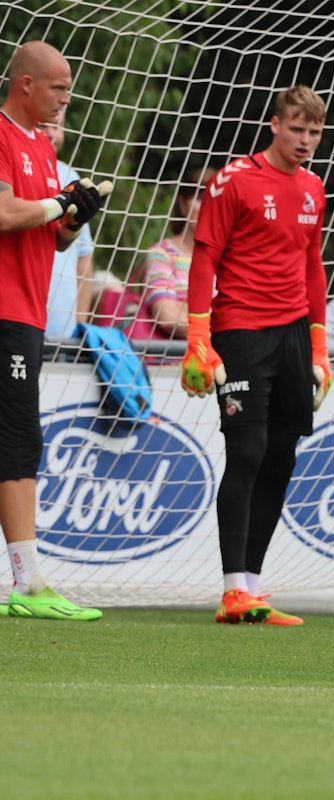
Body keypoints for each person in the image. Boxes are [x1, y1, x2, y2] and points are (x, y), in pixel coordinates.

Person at [181, 85, 331, 626]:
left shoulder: (314, 187)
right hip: (241, 329)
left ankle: (252, 588)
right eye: (297, 129)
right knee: (246, 452)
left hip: (293, 335)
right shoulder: (234, 180)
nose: (306, 141)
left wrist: (318, 343)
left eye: (314, 132)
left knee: (281, 458)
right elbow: (205, 260)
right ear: (274, 125)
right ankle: (231, 590)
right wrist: (199, 336)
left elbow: (314, 267)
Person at [0, 40, 108, 620]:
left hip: (25, 314)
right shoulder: (0, 135)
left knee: (18, 441)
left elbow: (47, 231)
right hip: (4, 314)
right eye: (59, 87)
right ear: (26, 84)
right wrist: (53, 203)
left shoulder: (43, 147)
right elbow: (3, 212)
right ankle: (28, 583)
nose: (67, 98)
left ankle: (25, 580)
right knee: (17, 441)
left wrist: (72, 218)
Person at [120, 166, 216, 345]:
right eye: (200, 198)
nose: (207, 206)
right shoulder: (161, 254)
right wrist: (218, 321)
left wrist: (186, 308)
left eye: (215, 199)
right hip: (169, 363)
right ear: (182, 203)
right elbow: (167, 318)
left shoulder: (231, 257)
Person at [39, 109, 93, 341]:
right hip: (18, 324)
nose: (52, 134)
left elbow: (84, 255)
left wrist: (80, 323)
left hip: (65, 334)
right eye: (44, 126)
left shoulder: (71, 176)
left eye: (58, 126)